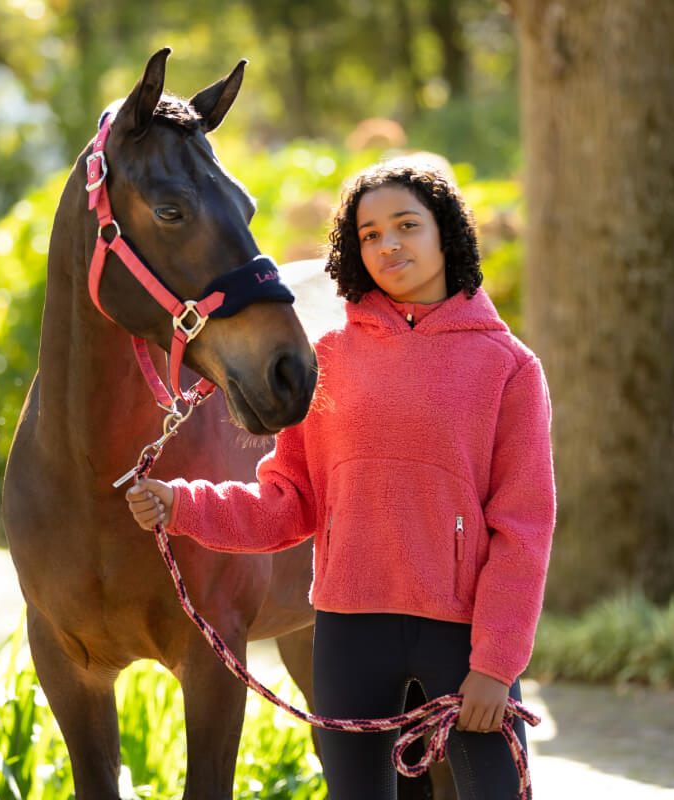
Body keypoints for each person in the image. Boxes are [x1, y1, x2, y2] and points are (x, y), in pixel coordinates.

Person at [126, 157, 556, 800]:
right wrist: (181, 505)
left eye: (407, 225)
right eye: (370, 234)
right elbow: (287, 503)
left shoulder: (508, 368)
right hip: (349, 635)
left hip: (462, 640)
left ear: (447, 232)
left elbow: (523, 528)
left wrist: (495, 666)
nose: (389, 245)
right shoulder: (328, 359)